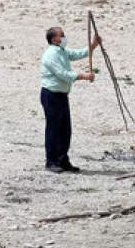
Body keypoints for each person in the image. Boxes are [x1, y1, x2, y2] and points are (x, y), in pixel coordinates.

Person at [40, 26, 101, 173]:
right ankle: (51, 161)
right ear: (55, 39)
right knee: (53, 129)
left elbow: (77, 53)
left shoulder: (61, 51)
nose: (64, 37)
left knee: (65, 129)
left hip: (61, 94)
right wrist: (83, 76)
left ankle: (63, 160)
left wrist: (93, 45)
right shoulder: (50, 55)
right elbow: (63, 74)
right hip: (51, 95)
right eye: (62, 35)